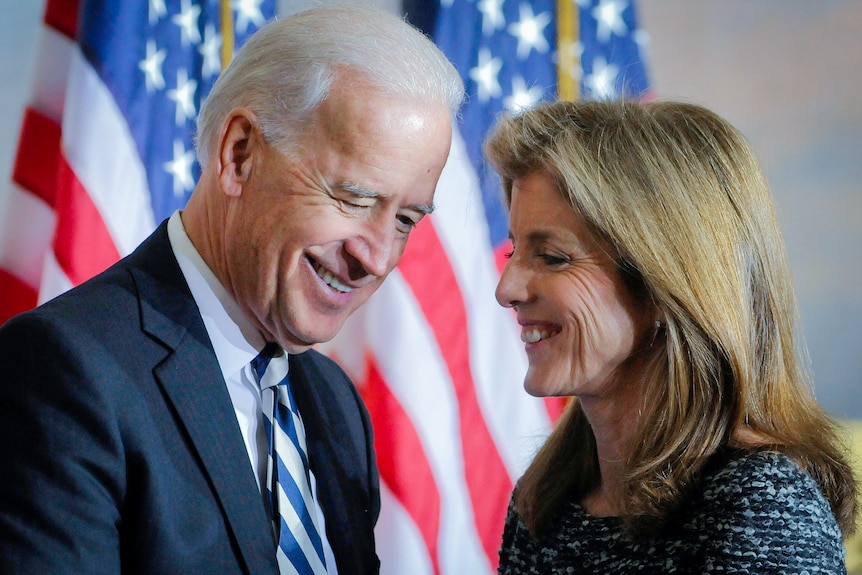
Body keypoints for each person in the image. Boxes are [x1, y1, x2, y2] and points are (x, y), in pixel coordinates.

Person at [0, 5, 463, 574]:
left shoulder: (335, 403)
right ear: (239, 155)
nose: (376, 256)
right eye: (353, 198)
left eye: (405, 220)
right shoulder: (65, 373)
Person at [485, 99, 857, 573]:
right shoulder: (548, 498)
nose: (506, 288)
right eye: (515, 250)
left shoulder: (760, 507)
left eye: (553, 257)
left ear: (667, 287)